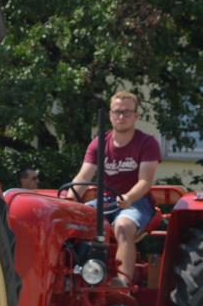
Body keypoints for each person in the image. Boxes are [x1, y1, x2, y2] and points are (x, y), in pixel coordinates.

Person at [65, 91, 160, 286]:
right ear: (110, 115)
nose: (121, 116)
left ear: (136, 116)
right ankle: (72, 276)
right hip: (104, 200)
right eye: (117, 111)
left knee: (123, 226)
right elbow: (83, 177)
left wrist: (129, 197)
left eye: (127, 112)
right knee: (71, 226)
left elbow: (145, 182)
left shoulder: (147, 143)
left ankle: (122, 282)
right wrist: (68, 202)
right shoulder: (99, 143)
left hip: (136, 202)